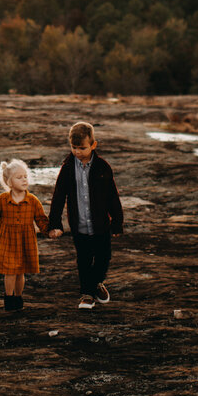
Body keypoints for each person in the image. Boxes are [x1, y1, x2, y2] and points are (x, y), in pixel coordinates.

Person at [47, 121, 124, 310]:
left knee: (103, 258)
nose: (78, 152)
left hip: (101, 225)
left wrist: (117, 222)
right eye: (74, 148)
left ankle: (97, 283)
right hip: (79, 225)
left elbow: (112, 196)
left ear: (93, 145)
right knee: (83, 260)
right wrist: (55, 223)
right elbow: (58, 196)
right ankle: (87, 295)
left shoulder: (103, 167)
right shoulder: (67, 168)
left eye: (82, 148)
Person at [0, 159, 50, 312]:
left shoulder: (33, 201)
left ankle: (18, 297)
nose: (24, 180)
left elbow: (41, 220)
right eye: (19, 177)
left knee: (20, 272)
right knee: (10, 272)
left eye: (25, 176)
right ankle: (9, 298)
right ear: (9, 182)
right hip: (7, 241)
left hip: (25, 241)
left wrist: (51, 231)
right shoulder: (2, 200)